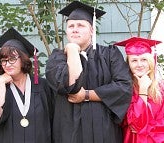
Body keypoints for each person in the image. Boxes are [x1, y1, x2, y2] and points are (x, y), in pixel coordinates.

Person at [45, 1, 132, 143]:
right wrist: (72, 50)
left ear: (92, 30)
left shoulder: (110, 54)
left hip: (104, 131)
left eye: (81, 25)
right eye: (71, 26)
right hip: (69, 131)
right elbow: (68, 86)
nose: (75, 29)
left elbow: (123, 87)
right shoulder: (57, 58)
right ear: (66, 31)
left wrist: (86, 95)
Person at [0, 27, 54, 143]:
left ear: (24, 59)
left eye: (12, 59)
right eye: (3, 60)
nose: (7, 64)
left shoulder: (43, 86)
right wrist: (0, 84)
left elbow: (55, 121)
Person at [114, 37, 164, 143]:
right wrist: (143, 90)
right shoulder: (124, 90)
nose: (139, 65)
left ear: (151, 61)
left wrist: (146, 128)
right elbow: (136, 124)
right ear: (128, 64)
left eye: (144, 59)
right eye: (134, 61)